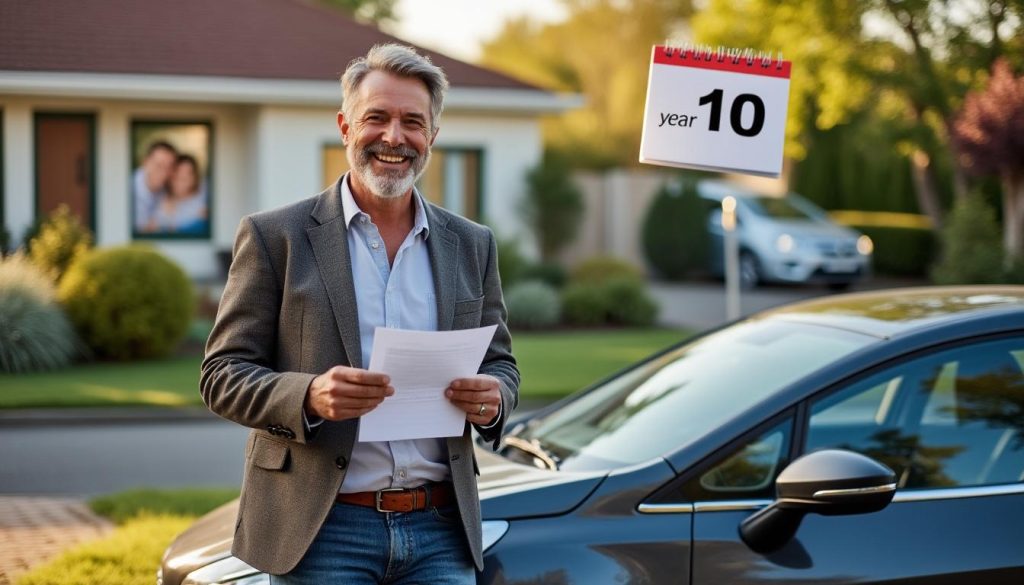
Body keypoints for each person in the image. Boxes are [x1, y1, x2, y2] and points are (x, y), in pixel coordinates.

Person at [201, 43, 519, 585]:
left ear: (432, 138)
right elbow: (222, 374)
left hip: (441, 531)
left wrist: (492, 401)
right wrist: (308, 396)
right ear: (346, 126)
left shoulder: (472, 244)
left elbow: (502, 366)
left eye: (412, 122)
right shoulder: (276, 236)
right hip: (324, 530)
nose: (394, 137)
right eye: (378, 117)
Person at [153, 154, 208, 234]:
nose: (182, 177)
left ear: (195, 178)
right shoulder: (161, 200)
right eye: (177, 172)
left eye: (187, 173)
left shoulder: (205, 194)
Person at [132, 140, 177, 232]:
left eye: (168, 167)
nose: (163, 173)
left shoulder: (167, 190)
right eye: (158, 165)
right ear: (145, 162)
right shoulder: (128, 188)